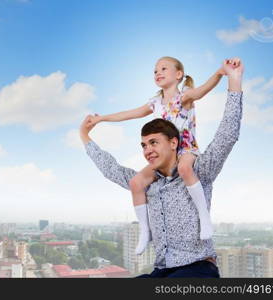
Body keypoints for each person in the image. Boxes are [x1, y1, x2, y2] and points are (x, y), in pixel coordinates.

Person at [79, 58, 244, 278]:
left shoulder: (200, 170)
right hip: (162, 270)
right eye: (144, 145)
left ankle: (205, 218)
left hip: (197, 268)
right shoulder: (149, 183)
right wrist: (88, 132)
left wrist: (232, 78)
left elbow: (228, 133)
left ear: (172, 142)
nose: (147, 150)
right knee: (134, 181)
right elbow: (112, 168)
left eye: (154, 143)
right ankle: (144, 231)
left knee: (184, 170)